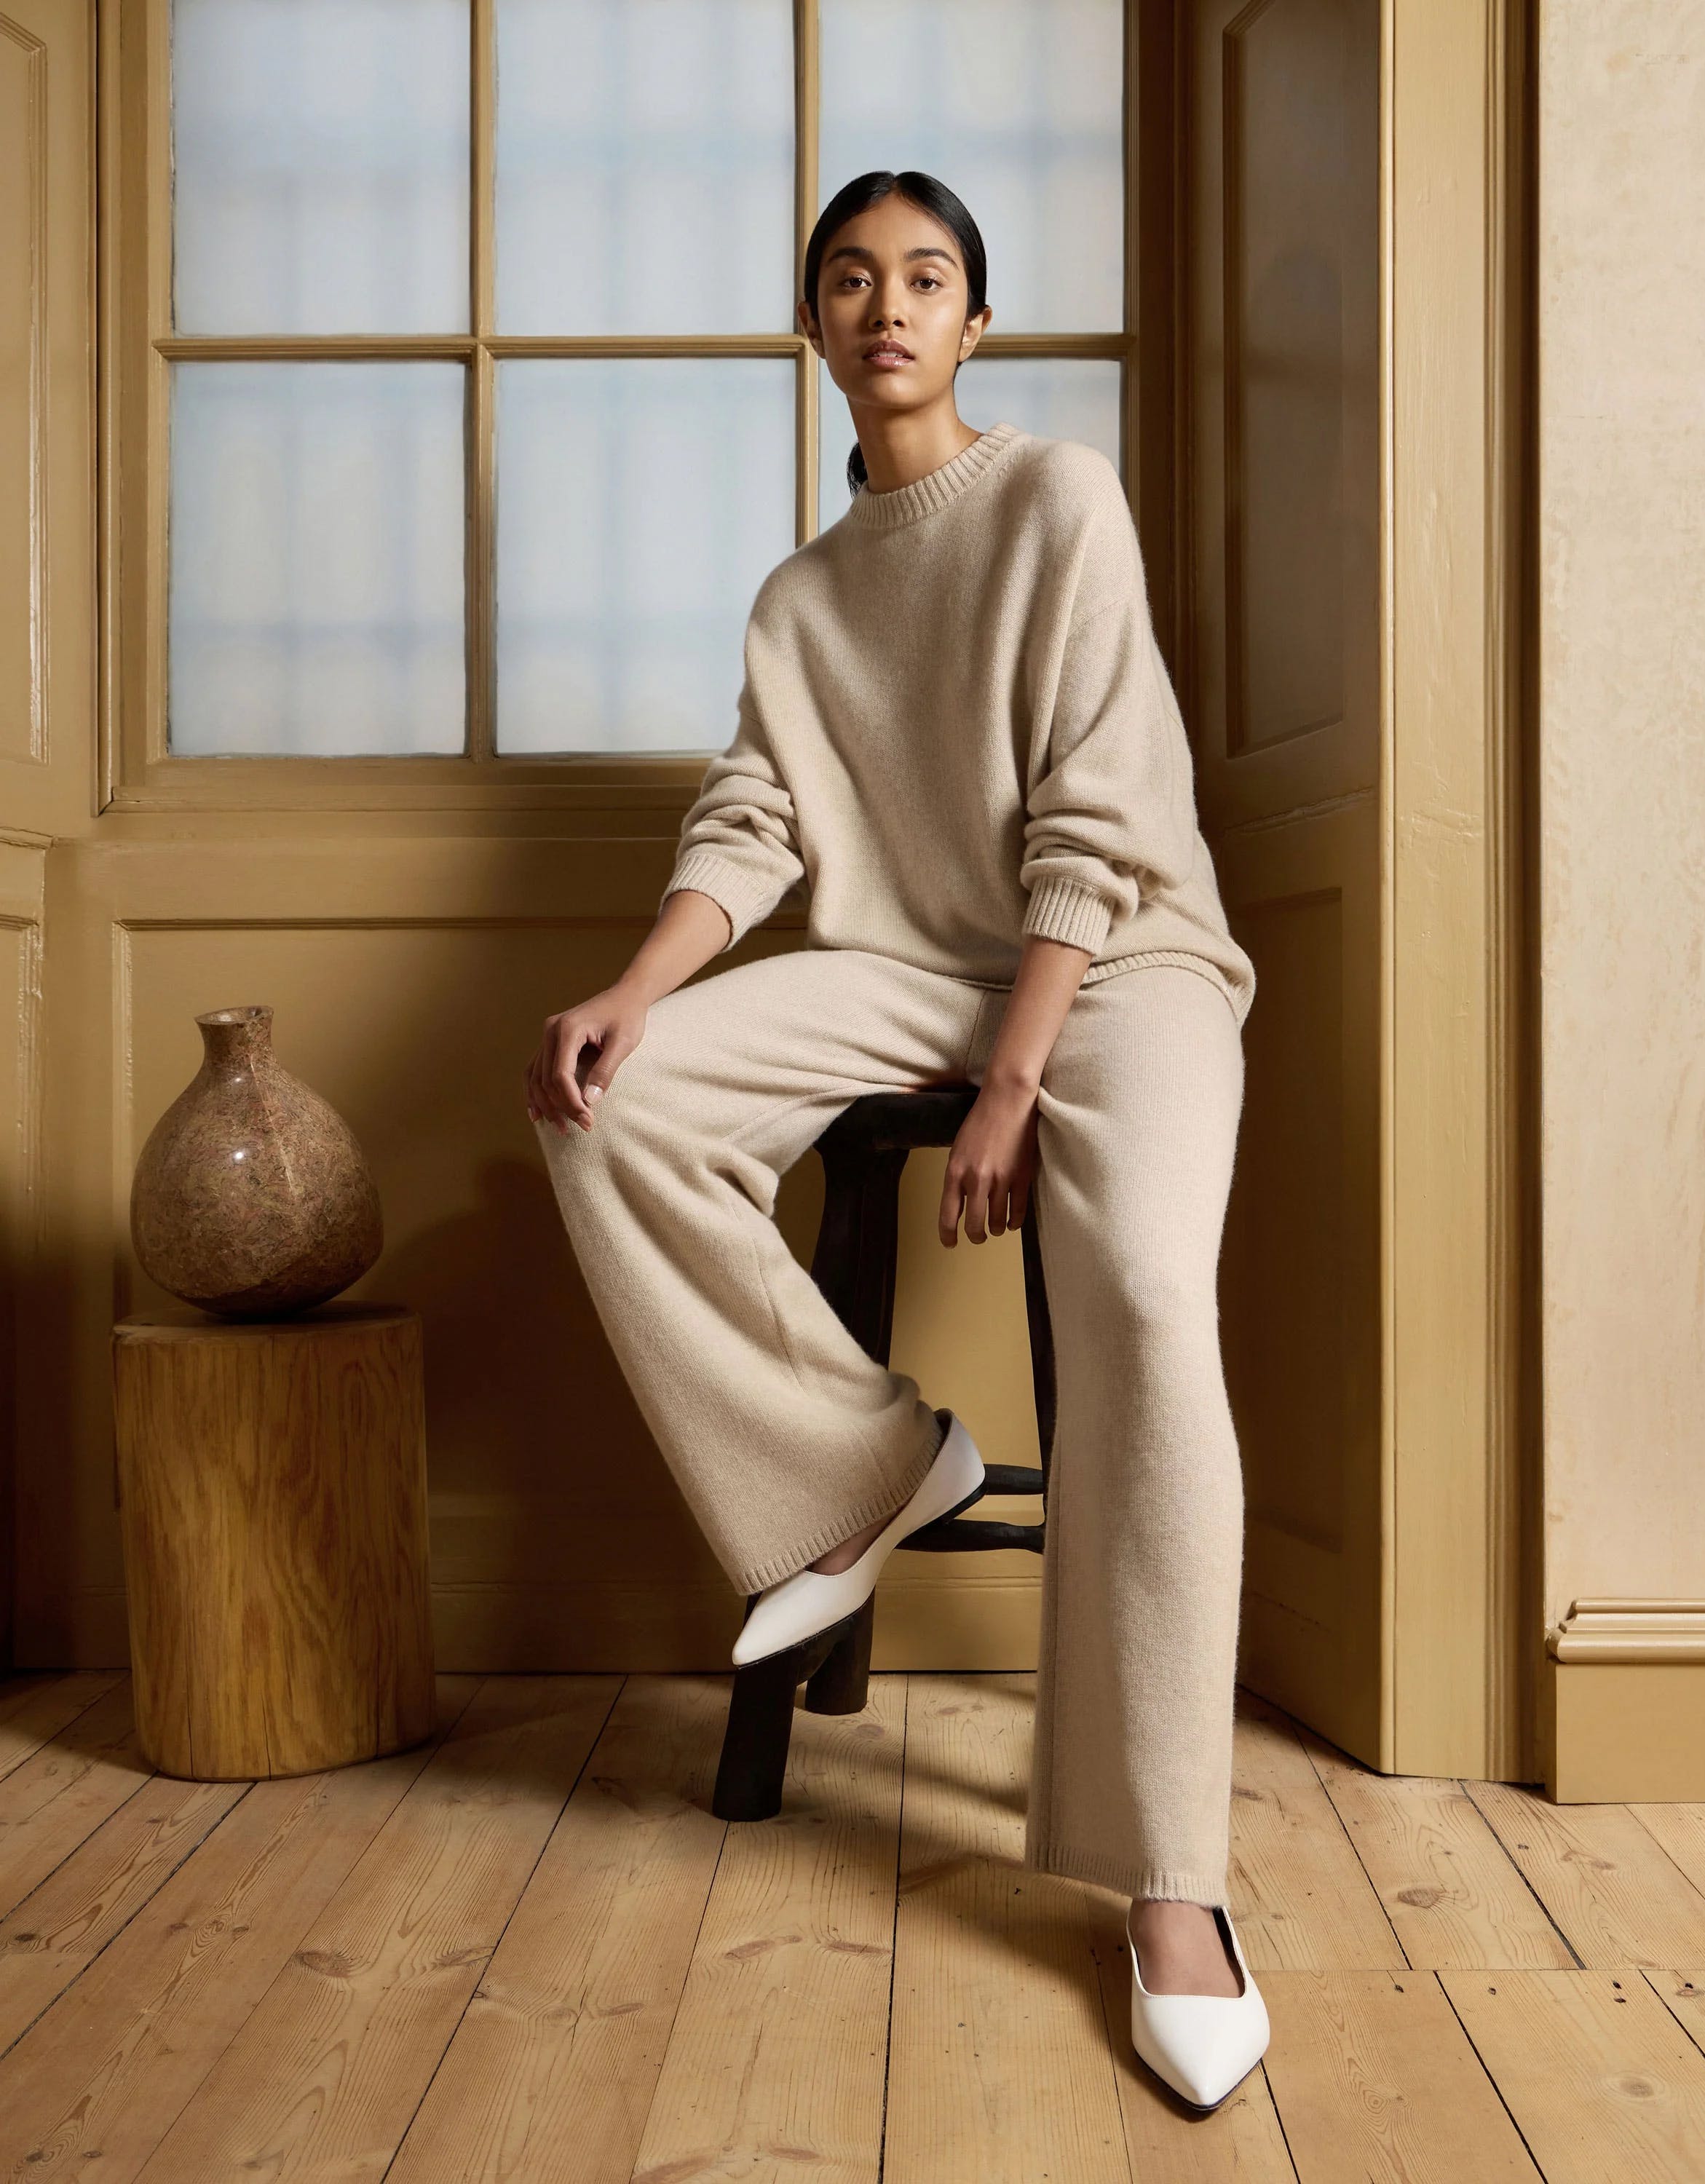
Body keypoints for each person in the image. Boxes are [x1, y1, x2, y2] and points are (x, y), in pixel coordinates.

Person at [525, 168, 1269, 2109]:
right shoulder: (803, 597)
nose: (888, 305)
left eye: (925, 276)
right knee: (614, 1105)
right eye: (851, 278)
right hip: (908, 961)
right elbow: (756, 826)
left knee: (1145, 1312)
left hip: (1119, 967)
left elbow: (1101, 830)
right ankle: (868, 1468)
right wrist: (633, 988)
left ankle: (1171, 1887)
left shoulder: (1058, 500)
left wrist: (1017, 1086)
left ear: (974, 321)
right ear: (816, 327)